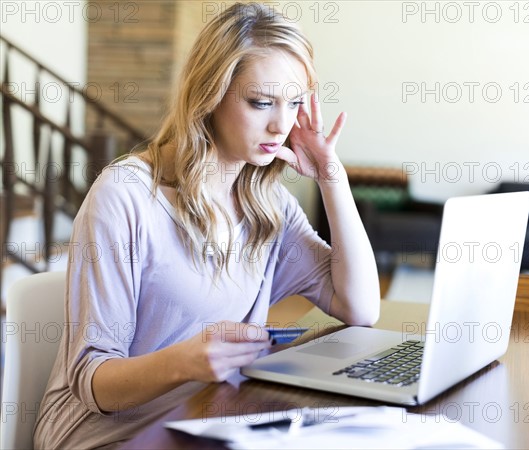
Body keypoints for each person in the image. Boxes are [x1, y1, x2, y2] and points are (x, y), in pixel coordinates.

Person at [33, 3, 379, 448]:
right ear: (209, 95)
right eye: (261, 103)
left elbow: (360, 307)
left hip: (206, 419)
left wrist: (333, 179)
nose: (281, 124)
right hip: (105, 434)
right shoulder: (126, 196)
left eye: (293, 103)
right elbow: (93, 381)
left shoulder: (267, 203)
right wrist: (186, 362)